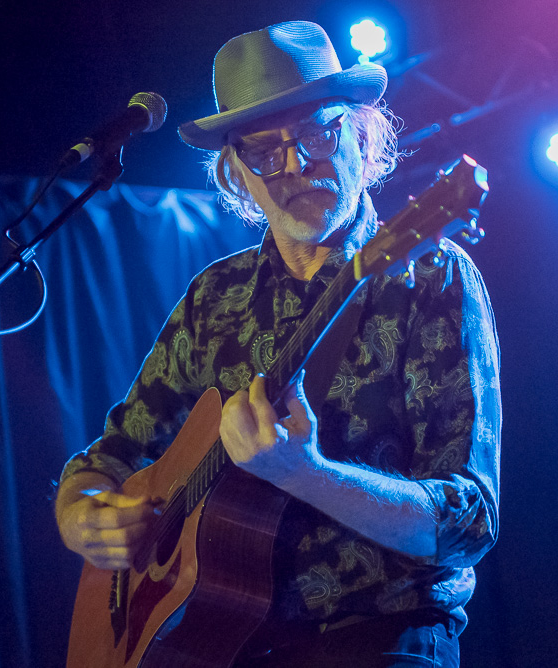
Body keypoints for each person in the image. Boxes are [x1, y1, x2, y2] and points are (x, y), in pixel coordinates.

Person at [55, 20, 501, 667]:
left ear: (363, 136)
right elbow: (117, 453)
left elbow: (468, 523)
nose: (294, 165)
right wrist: (80, 514)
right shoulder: (217, 296)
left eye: (318, 132)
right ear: (237, 174)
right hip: (217, 646)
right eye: (263, 151)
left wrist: (306, 475)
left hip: (380, 637)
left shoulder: (430, 274)